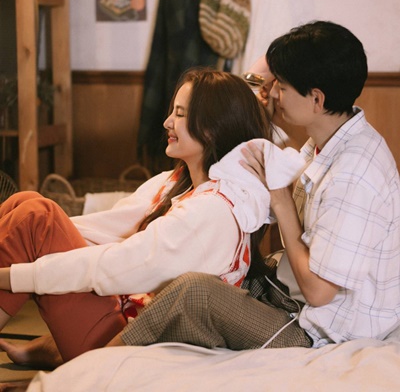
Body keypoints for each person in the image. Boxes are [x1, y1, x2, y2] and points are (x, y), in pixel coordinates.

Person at [102, 20, 400, 351]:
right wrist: (259, 81)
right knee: (212, 266)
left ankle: (99, 358)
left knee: (195, 291)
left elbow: (319, 293)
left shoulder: (353, 176)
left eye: (282, 87)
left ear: (316, 99)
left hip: (319, 330)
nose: (273, 94)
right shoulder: (330, 138)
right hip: (288, 291)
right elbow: (246, 118)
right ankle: (100, 337)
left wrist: (282, 202)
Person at [0, 67, 304, 370]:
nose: (167, 122)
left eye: (180, 114)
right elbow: (108, 231)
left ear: (213, 128)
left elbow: (117, 265)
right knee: (27, 205)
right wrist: (35, 245)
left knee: (36, 217)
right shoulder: (179, 182)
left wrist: (18, 274)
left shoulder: (213, 210)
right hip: (116, 312)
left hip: (126, 343)